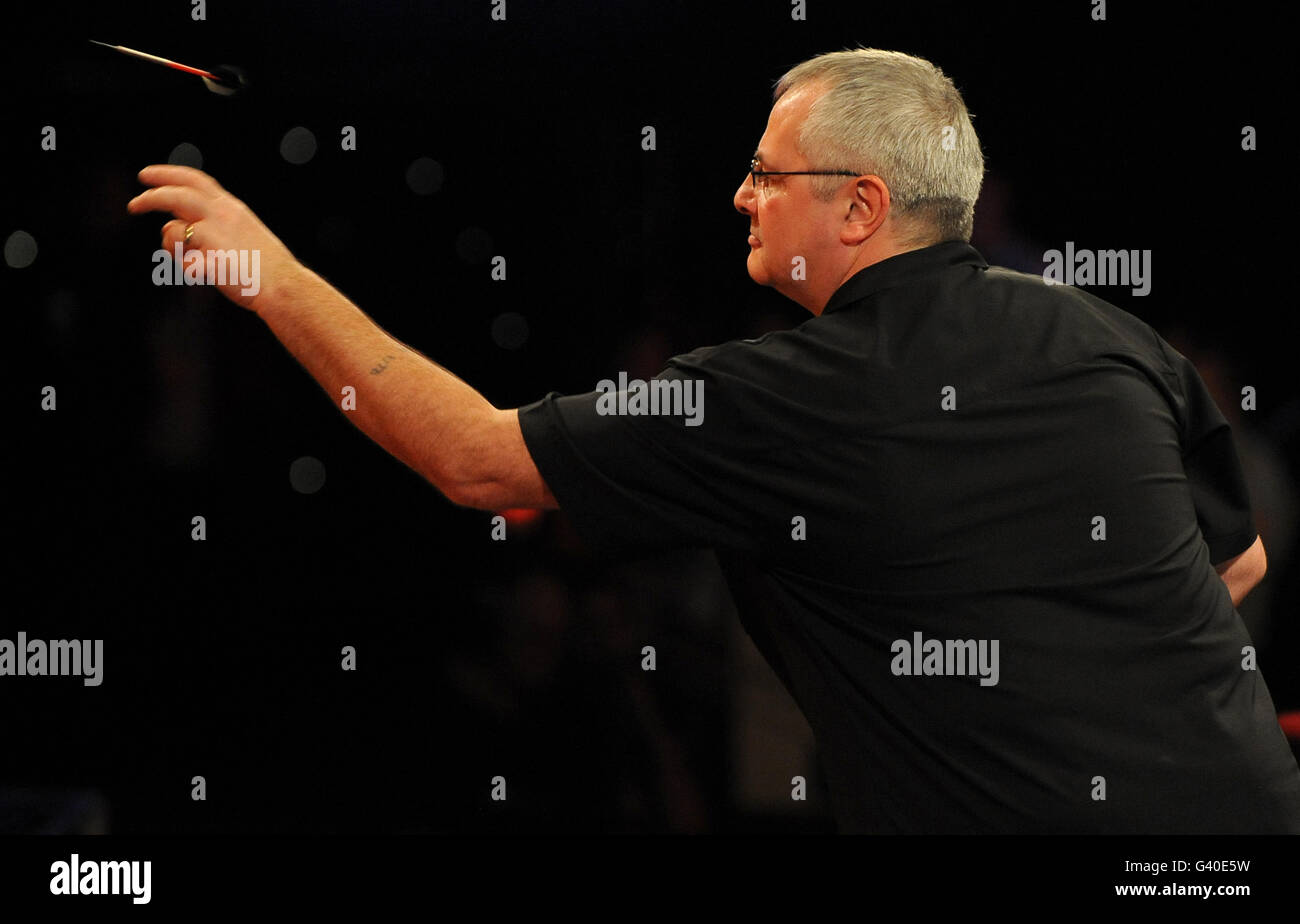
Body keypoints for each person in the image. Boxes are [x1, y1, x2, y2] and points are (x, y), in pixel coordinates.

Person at [126, 47, 1300, 833]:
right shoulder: (1112, 337)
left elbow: (474, 458)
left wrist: (269, 275)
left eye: (764, 173)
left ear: (859, 206)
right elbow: (1231, 564)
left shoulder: (786, 392)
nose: (740, 194)